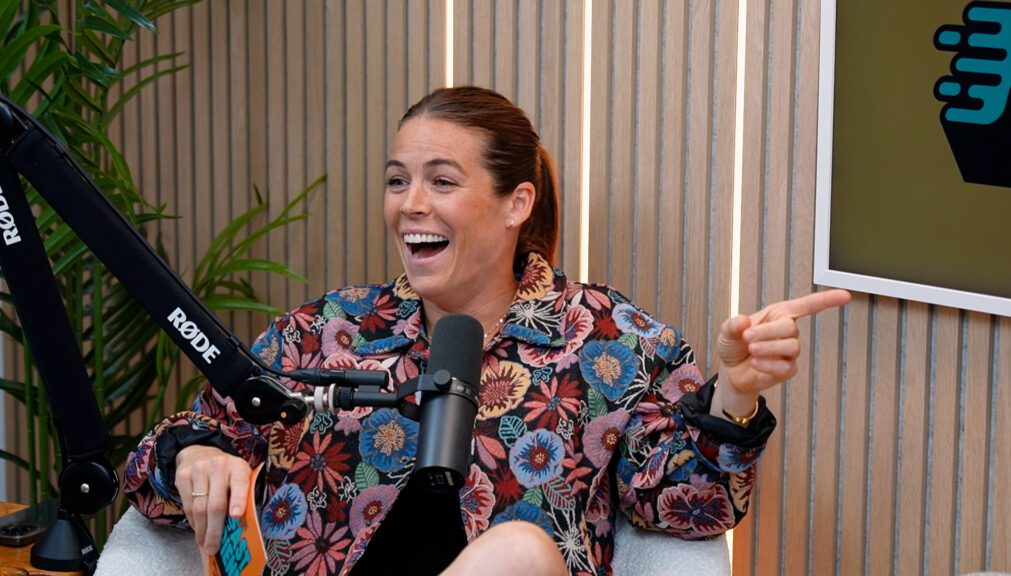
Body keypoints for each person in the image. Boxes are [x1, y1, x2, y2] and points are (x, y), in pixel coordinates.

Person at [124, 85, 851, 575]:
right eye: (397, 180)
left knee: (518, 554)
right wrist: (194, 456)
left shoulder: (614, 343)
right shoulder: (324, 333)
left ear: (516, 204)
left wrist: (735, 393)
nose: (410, 204)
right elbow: (156, 473)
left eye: (441, 181)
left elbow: (691, 508)